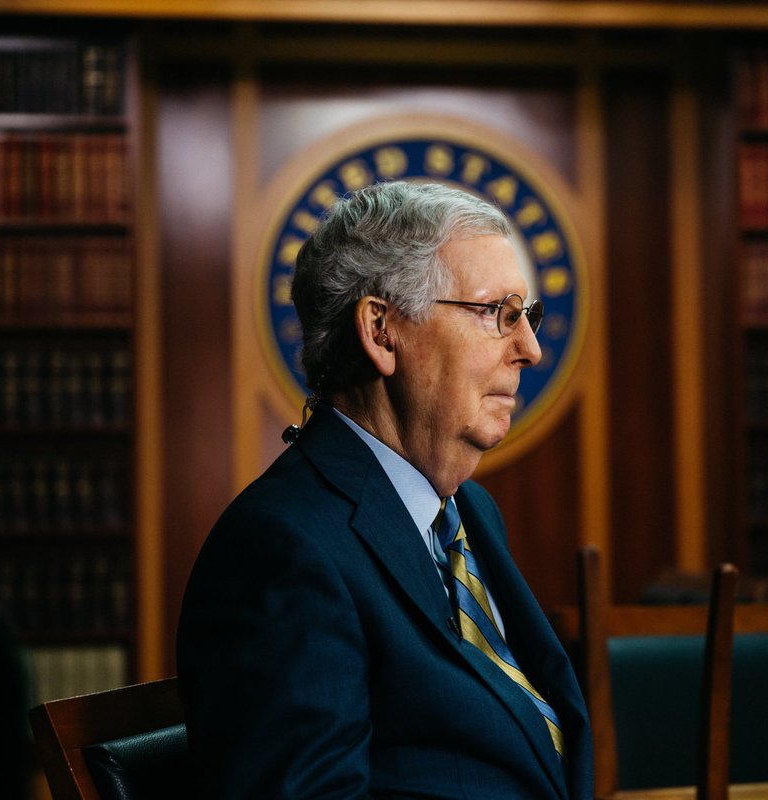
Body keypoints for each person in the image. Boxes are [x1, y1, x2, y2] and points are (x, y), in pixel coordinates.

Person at [176, 180, 593, 799]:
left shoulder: (469, 511)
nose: (529, 348)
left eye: (526, 316)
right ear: (381, 330)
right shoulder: (281, 549)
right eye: (497, 314)